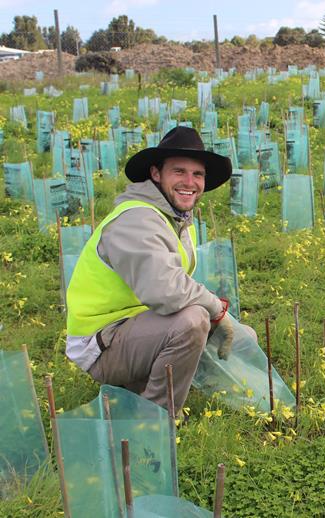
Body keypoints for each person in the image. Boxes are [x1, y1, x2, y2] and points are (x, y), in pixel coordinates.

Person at [66, 126, 237, 414]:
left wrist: (220, 317)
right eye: (179, 172)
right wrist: (217, 309)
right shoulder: (137, 218)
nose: (190, 182)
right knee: (194, 320)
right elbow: (168, 291)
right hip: (101, 343)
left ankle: (145, 381)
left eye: (198, 174)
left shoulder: (175, 218)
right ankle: (155, 417)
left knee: (238, 337)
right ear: (156, 174)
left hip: (136, 327)